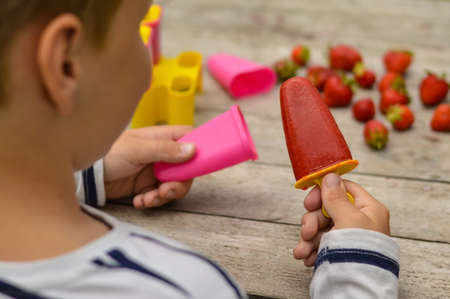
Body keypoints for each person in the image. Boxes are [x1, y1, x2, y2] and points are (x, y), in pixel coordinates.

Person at [0, 0, 398, 298]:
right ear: (65, 63)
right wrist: (359, 272)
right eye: (139, 29)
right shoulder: (184, 288)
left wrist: (84, 174)